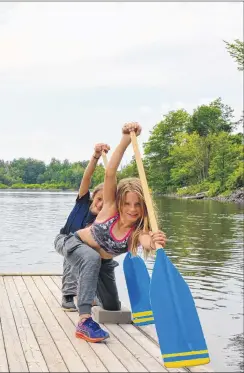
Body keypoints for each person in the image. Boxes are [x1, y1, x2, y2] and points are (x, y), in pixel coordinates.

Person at [58, 122, 167, 343]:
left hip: (102, 263)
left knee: (112, 307)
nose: (132, 209)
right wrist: (126, 139)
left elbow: (145, 241)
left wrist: (154, 242)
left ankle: (96, 299)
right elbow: (110, 172)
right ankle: (85, 320)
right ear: (120, 202)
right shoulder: (109, 209)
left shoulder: (138, 232)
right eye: (127, 203)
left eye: (138, 205)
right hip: (72, 243)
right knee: (90, 258)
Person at [54, 142, 110, 312]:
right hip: (64, 239)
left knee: (96, 257)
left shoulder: (105, 218)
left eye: (105, 202)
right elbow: (87, 178)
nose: (100, 205)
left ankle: (91, 294)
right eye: (99, 199)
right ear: (93, 197)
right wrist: (96, 156)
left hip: (85, 247)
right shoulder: (83, 202)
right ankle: (69, 294)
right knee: (73, 247)